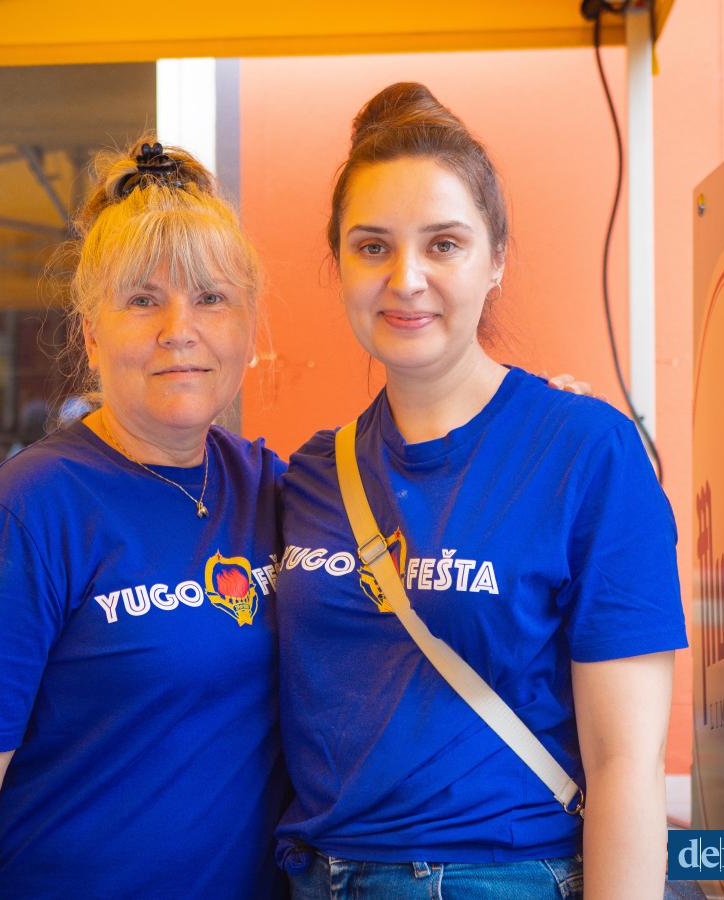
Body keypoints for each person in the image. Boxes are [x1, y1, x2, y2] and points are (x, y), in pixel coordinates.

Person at [275, 83, 688, 899]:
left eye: (444, 244)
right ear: (339, 265)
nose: (406, 279)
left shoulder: (586, 453)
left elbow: (626, 765)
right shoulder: (311, 475)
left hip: (499, 876)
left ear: (496, 259)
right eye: (372, 246)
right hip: (314, 878)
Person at [0, 138, 288, 899]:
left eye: (211, 298)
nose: (179, 328)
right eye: (143, 300)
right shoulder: (23, 516)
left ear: (248, 328)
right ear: (90, 332)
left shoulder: (273, 490)